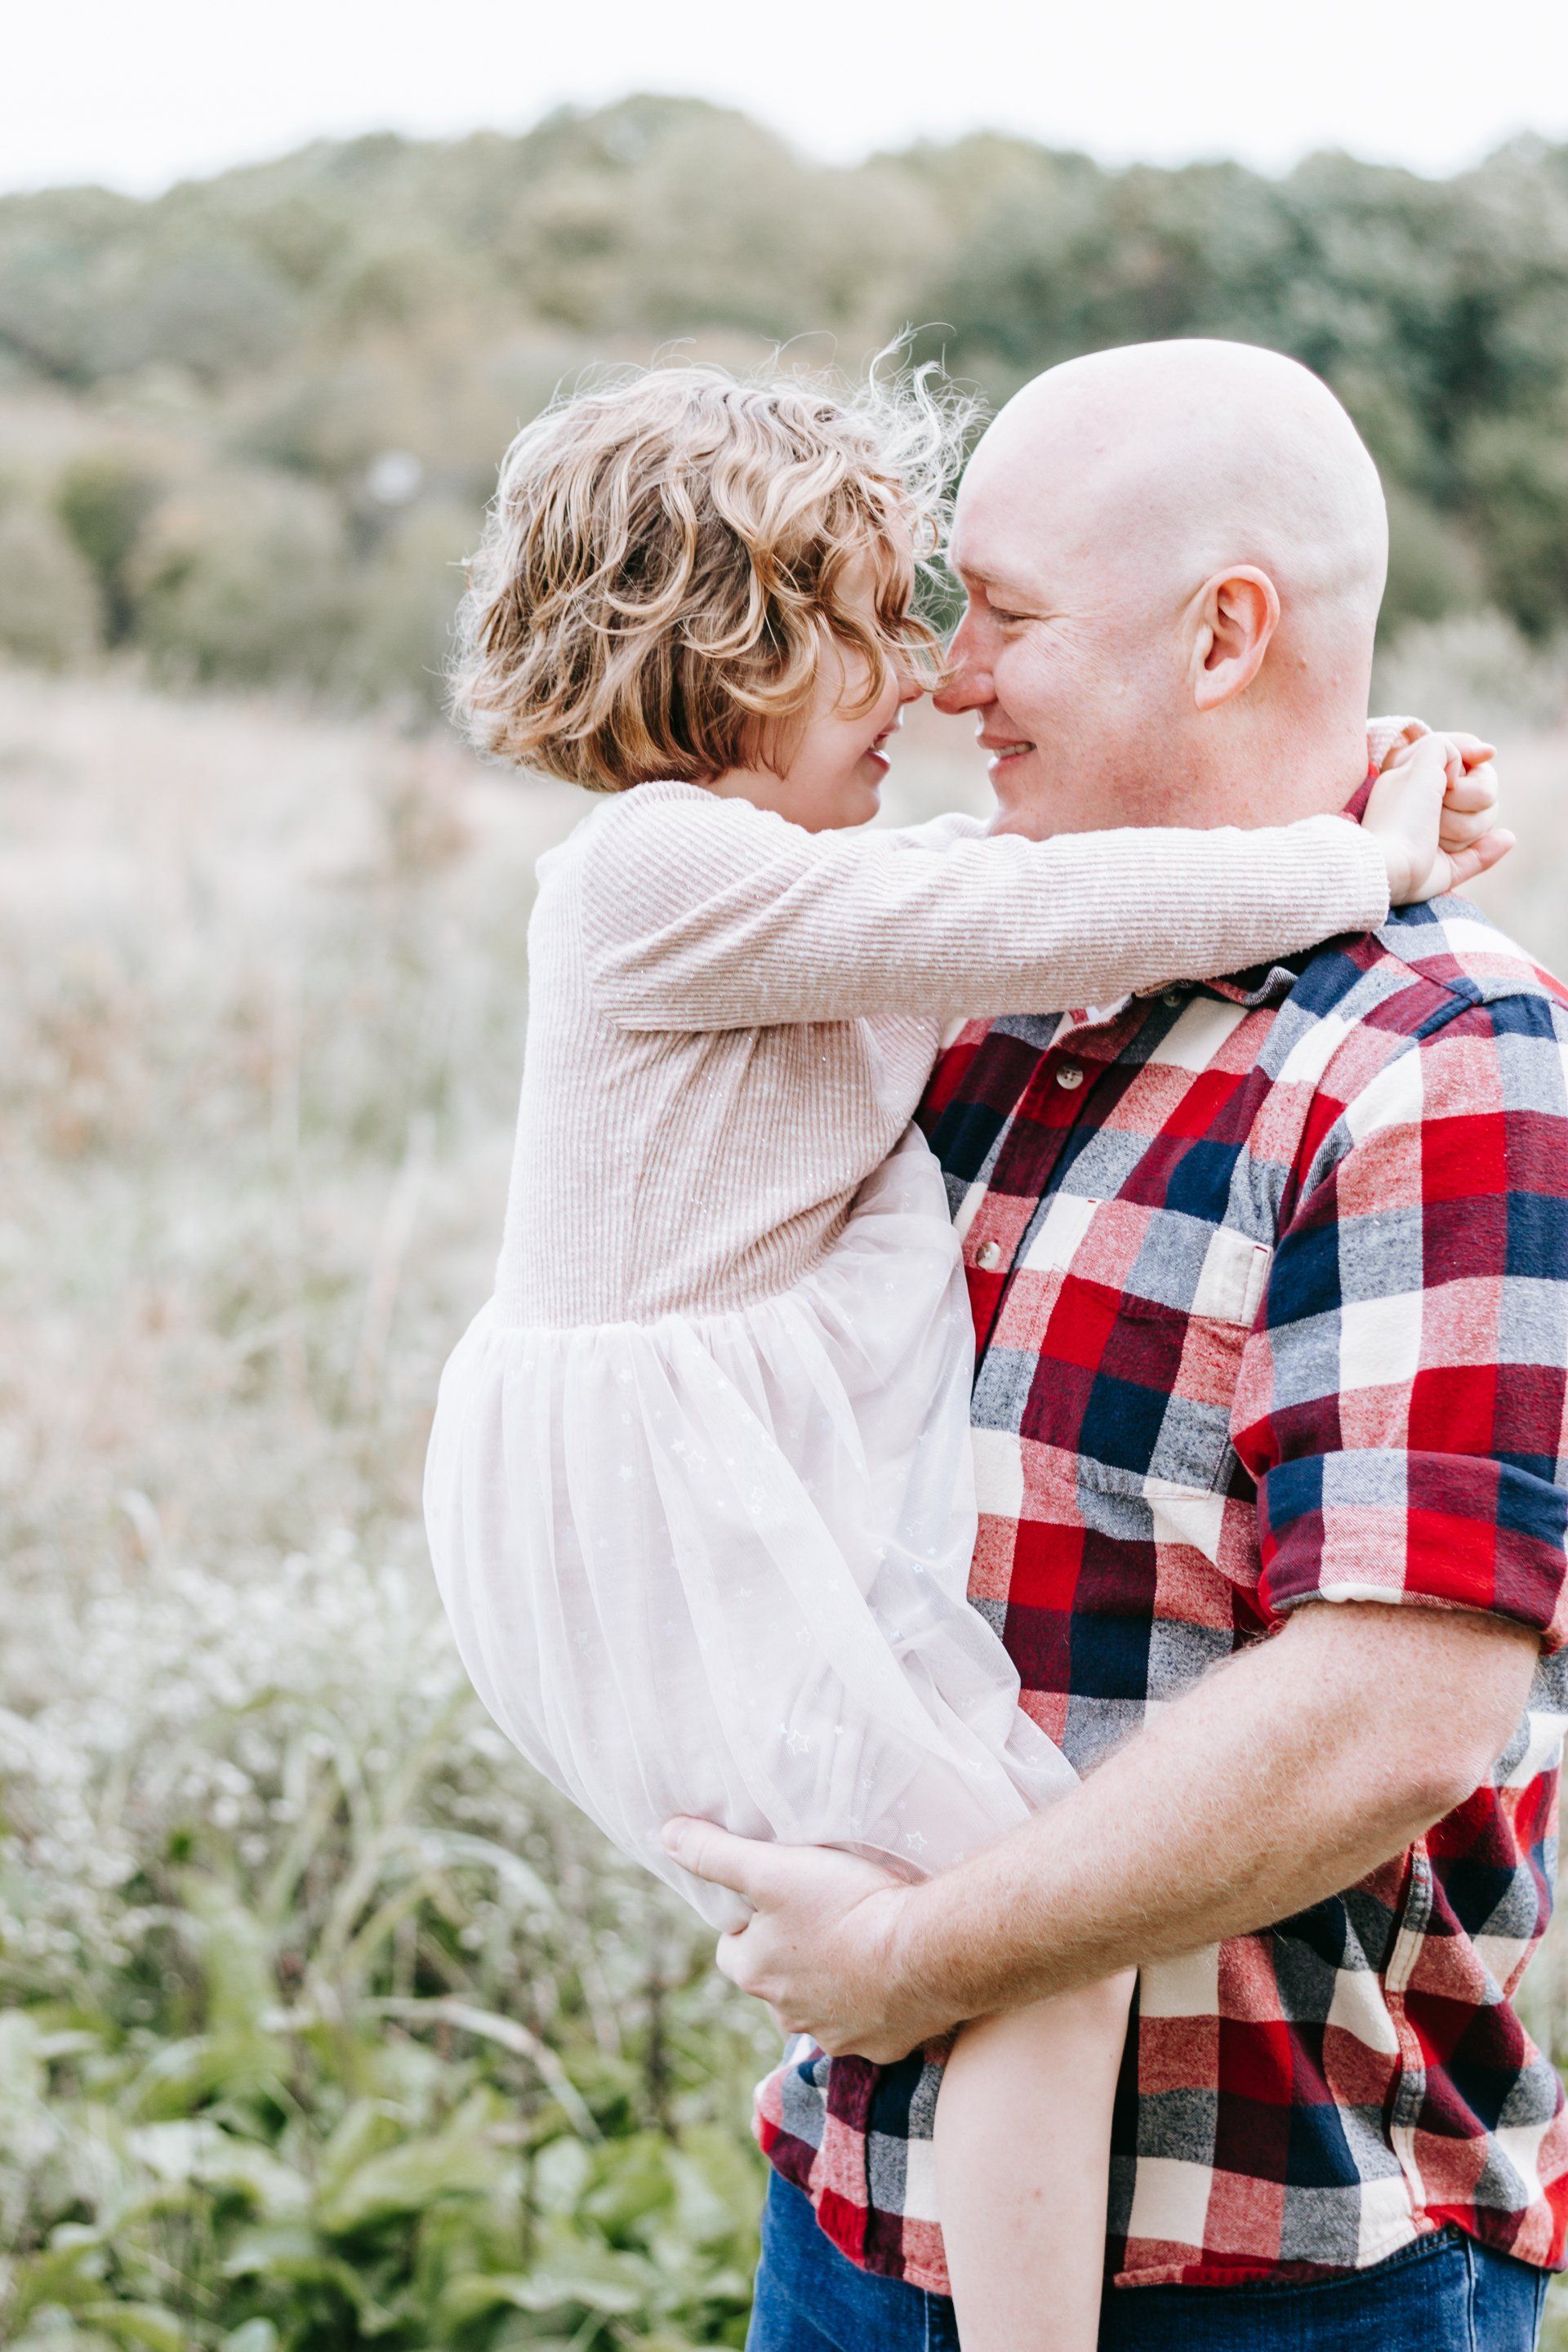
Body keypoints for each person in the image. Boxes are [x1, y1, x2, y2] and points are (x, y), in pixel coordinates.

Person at [421, 358, 1502, 2352]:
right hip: (848, 2187)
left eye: (998, 616)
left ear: (1225, 634)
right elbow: (1031, 906)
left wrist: (925, 1946)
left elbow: (1402, 1710)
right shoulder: (835, 929)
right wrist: (1360, 844)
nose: (940, 682)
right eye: (906, 623)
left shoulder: (1432, 1059)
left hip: (1274, 2262)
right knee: (995, 1903)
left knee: (1022, 1927)